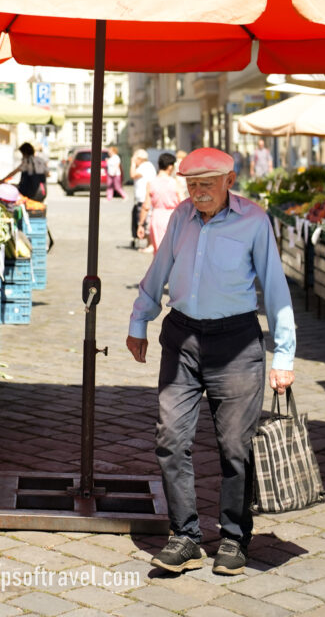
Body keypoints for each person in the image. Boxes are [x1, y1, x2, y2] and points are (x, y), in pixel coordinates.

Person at [126, 147, 295, 577]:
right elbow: (157, 272)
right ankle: (184, 535)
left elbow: (275, 289)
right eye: (192, 184)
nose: (197, 192)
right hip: (182, 337)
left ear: (229, 181)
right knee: (170, 438)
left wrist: (285, 354)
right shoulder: (181, 216)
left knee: (235, 447)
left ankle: (235, 538)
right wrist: (139, 321)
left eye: (206, 184)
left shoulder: (254, 220)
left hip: (237, 342)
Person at [137, 152, 180, 254]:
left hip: (157, 218)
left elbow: (146, 206)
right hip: (174, 217)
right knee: (173, 252)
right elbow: (182, 202)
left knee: (158, 253)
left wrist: (141, 224)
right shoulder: (174, 183)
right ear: (170, 167)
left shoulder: (151, 183)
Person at [130, 149, 156, 248]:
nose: (134, 160)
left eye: (135, 158)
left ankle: (150, 244)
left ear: (140, 158)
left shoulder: (144, 167)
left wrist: (132, 164)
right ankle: (149, 243)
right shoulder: (147, 166)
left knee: (145, 220)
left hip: (144, 197)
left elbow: (132, 175)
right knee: (144, 220)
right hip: (143, 197)